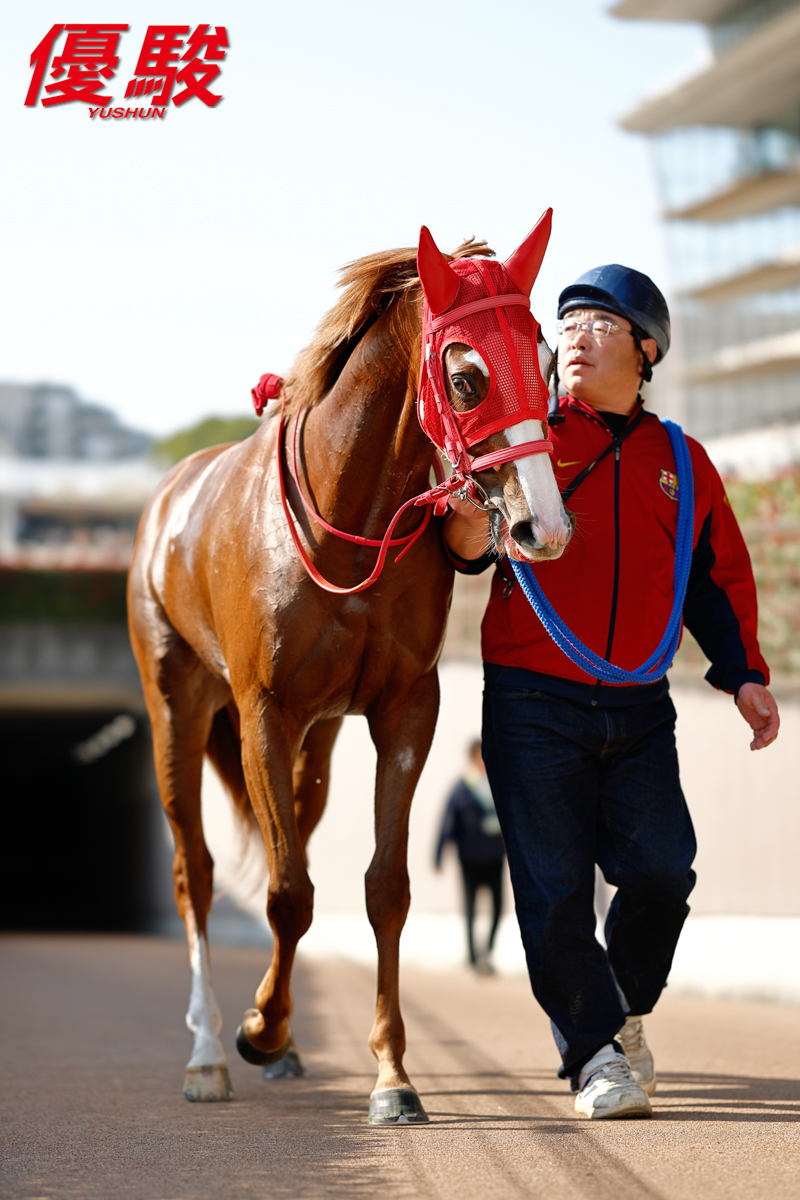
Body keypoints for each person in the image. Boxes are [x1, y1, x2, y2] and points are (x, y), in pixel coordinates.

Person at [442, 263, 780, 1120]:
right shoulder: (531, 438)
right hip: (531, 698)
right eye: (570, 323)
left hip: (640, 704)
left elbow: (710, 577)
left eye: (601, 323)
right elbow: (468, 550)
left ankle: (622, 1017)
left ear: (648, 348)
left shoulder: (684, 460)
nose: (578, 337)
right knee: (553, 893)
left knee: (664, 871)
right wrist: (465, 503)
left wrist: (743, 673)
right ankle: (593, 1055)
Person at [435, 738, 506, 973]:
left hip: (495, 857)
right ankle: (473, 957)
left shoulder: (500, 784)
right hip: (469, 858)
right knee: (470, 910)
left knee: (498, 907)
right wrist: (438, 855)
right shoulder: (462, 788)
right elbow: (448, 822)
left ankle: (487, 950)